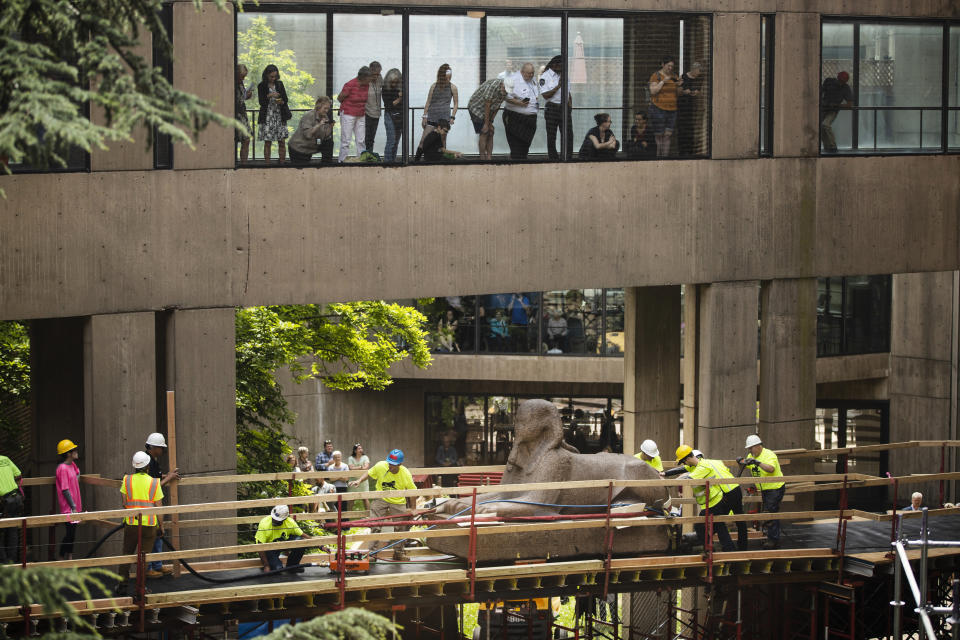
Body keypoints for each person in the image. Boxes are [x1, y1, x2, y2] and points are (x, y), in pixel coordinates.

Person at [348, 449, 417, 560]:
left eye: (393, 465)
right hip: (381, 498)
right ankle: (372, 554)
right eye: (389, 463)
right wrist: (359, 481)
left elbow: (413, 491)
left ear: (400, 464)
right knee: (375, 524)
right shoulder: (381, 466)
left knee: (401, 527)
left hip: (398, 501)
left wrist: (414, 508)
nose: (390, 466)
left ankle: (398, 552)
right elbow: (369, 473)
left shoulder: (405, 474)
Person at [676, 445, 736, 553]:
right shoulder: (697, 466)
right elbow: (683, 470)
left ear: (688, 459)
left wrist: (672, 482)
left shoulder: (702, 467)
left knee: (699, 526)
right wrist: (665, 473)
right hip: (713, 500)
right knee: (719, 525)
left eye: (684, 462)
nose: (684, 464)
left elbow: (688, 478)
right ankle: (729, 549)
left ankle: (709, 549)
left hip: (714, 501)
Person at [118, 451, 163, 596]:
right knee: (143, 557)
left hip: (131, 523)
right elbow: (159, 508)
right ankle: (140, 589)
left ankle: (122, 585)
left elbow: (124, 504)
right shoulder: (154, 482)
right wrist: (161, 527)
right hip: (149, 525)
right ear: (148, 466)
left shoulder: (127, 480)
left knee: (126, 554)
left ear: (135, 466)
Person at [740, 434, 785, 549]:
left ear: (758, 445)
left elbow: (771, 469)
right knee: (769, 512)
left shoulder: (769, 455)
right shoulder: (751, 455)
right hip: (765, 489)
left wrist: (757, 462)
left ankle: (773, 539)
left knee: (770, 512)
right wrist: (742, 462)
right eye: (749, 449)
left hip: (775, 488)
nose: (750, 451)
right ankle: (771, 536)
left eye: (751, 448)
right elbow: (749, 465)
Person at [144, 433, 179, 578]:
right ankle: (149, 567)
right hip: (149, 505)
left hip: (153, 503)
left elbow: (155, 478)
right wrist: (169, 478)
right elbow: (153, 486)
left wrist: (166, 475)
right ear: (154, 447)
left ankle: (157, 565)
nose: (162, 450)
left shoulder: (152, 461)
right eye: (160, 447)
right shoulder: (148, 462)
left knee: (158, 535)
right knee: (152, 535)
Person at [255, 504, 315, 572]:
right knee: (277, 570)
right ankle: (275, 565)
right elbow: (259, 546)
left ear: (284, 519)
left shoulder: (289, 522)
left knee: (300, 541)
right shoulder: (264, 523)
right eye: (273, 518)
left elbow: (303, 535)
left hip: (283, 544)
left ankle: (292, 566)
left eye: (277, 520)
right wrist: (266, 565)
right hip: (270, 549)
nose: (274, 521)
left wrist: (320, 546)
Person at [418, 64, 459, 157]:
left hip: (444, 118)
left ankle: (442, 159)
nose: (448, 78)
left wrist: (452, 116)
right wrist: (425, 116)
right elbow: (428, 101)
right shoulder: (434, 86)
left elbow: (456, 103)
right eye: (446, 76)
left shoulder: (453, 87)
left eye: (450, 75)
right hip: (432, 117)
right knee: (424, 140)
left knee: (442, 140)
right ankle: (417, 160)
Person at [502, 63, 540, 160]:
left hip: (530, 118)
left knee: (525, 145)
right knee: (516, 145)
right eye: (528, 73)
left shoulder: (533, 80)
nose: (531, 75)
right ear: (522, 72)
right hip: (515, 117)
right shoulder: (512, 79)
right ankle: (515, 164)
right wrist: (519, 103)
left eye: (532, 73)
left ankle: (521, 162)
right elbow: (505, 96)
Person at [541, 56, 573, 160]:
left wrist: (569, 107)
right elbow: (545, 95)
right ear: (554, 65)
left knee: (568, 134)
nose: (563, 68)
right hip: (552, 108)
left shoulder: (564, 75)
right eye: (561, 66)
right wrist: (558, 86)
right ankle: (553, 158)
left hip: (564, 108)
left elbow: (568, 92)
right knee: (551, 135)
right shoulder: (545, 76)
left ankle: (568, 157)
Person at [257, 64, 291, 164]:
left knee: (282, 141)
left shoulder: (279, 84)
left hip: (279, 115)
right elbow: (261, 102)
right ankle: (267, 164)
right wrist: (269, 95)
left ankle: (282, 162)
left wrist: (280, 100)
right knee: (267, 142)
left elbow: (285, 99)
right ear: (266, 75)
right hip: (267, 116)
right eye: (271, 76)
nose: (273, 78)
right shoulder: (262, 85)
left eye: (275, 76)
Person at [467, 77, 507, 160]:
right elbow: (487, 105)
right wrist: (486, 124)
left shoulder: (506, 89)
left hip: (488, 110)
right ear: (502, 85)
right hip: (476, 108)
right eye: (505, 89)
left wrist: (491, 121)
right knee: (484, 131)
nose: (506, 92)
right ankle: (482, 157)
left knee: (491, 131)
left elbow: (497, 105)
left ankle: (489, 157)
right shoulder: (492, 87)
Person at [648, 55, 681, 157]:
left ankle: (665, 158)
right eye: (668, 66)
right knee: (659, 135)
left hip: (672, 109)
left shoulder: (674, 76)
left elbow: (678, 93)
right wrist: (663, 81)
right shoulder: (656, 76)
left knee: (667, 135)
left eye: (672, 66)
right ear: (663, 64)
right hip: (658, 109)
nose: (670, 68)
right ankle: (658, 158)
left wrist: (680, 86)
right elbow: (653, 91)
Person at [337, 66, 371, 163]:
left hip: (361, 114)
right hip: (348, 113)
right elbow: (340, 98)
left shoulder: (367, 85)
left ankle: (361, 159)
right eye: (368, 78)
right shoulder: (350, 84)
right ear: (363, 77)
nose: (370, 80)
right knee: (346, 140)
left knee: (361, 140)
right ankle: (342, 161)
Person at [287, 96, 334, 165]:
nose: (327, 111)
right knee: (302, 170)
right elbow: (308, 135)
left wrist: (330, 127)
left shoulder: (324, 116)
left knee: (329, 143)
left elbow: (325, 136)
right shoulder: (309, 116)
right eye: (325, 108)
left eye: (328, 109)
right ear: (318, 106)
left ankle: (326, 165)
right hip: (299, 148)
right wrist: (319, 125)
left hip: (311, 147)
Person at [55, 439, 82, 560]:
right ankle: (62, 557)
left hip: (74, 505)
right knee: (69, 533)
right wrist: (73, 507)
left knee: (72, 534)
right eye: (73, 450)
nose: (76, 451)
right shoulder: (62, 468)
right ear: (68, 453)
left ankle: (69, 557)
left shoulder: (72, 465)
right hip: (69, 507)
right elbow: (65, 489)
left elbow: (77, 474)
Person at [820, 71, 854, 153]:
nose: (841, 82)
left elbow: (849, 104)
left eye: (843, 81)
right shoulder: (829, 82)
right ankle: (827, 147)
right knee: (822, 128)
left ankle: (832, 146)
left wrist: (837, 105)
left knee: (825, 124)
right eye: (841, 80)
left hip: (832, 110)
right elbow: (821, 92)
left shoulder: (845, 88)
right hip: (824, 108)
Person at [0, 451, 23, 565]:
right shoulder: (5, 458)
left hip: (3, 501)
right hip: (15, 497)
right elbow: (18, 475)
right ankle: (12, 562)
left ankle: (3, 563)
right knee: (13, 530)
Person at [677, 62, 703, 156]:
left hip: (693, 108)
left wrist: (697, 93)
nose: (699, 73)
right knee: (683, 129)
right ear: (694, 69)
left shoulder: (699, 79)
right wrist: (684, 92)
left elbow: (701, 91)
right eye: (698, 71)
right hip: (683, 107)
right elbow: (678, 91)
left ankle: (690, 151)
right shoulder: (683, 77)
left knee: (691, 129)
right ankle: (682, 151)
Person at [381, 69, 403, 163]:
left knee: (396, 141)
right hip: (390, 115)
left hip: (400, 115)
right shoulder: (385, 88)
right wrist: (399, 98)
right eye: (392, 82)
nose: (394, 83)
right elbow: (388, 105)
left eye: (396, 81)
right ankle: (387, 161)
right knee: (391, 140)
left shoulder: (400, 88)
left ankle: (392, 161)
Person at [235, 64, 254, 164]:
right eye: (242, 76)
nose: (243, 78)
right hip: (236, 115)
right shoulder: (232, 84)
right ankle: (240, 162)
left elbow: (242, 97)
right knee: (241, 139)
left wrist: (247, 95)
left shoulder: (240, 83)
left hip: (242, 114)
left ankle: (244, 163)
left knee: (246, 139)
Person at [364, 61, 383, 154]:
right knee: (366, 137)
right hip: (366, 113)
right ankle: (365, 156)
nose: (376, 76)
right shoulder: (365, 81)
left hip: (377, 113)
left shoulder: (380, 79)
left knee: (372, 138)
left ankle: (370, 155)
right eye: (375, 74)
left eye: (378, 74)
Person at [347, 443, 371, 511]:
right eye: (359, 449)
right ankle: (348, 516)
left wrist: (356, 467)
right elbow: (351, 468)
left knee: (365, 498)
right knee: (351, 499)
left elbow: (366, 467)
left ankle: (368, 515)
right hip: (352, 480)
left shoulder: (365, 457)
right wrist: (360, 467)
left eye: (361, 448)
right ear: (355, 451)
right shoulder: (350, 458)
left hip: (363, 481)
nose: (361, 450)